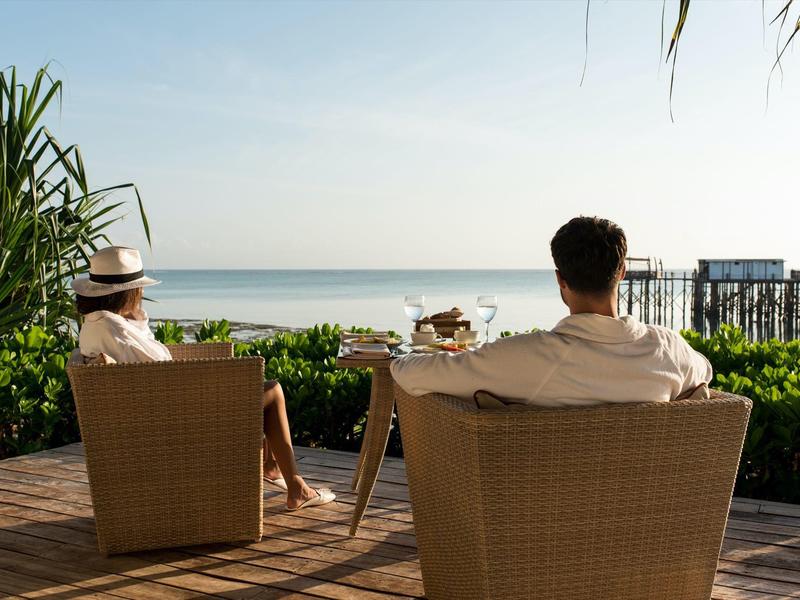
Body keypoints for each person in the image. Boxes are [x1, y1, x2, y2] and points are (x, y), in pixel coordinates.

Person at [72, 246, 335, 511]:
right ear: (129, 292)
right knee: (273, 390)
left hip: (148, 418)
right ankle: (295, 486)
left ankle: (273, 468)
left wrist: (135, 321)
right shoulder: (116, 329)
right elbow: (162, 367)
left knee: (256, 393)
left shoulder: (94, 325)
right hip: (177, 423)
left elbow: (148, 369)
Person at [391, 217, 712, 406]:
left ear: (560, 279)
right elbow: (704, 373)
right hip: (648, 509)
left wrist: (402, 358)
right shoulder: (667, 349)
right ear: (622, 272)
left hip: (542, 514)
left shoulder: (527, 356)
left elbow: (409, 372)